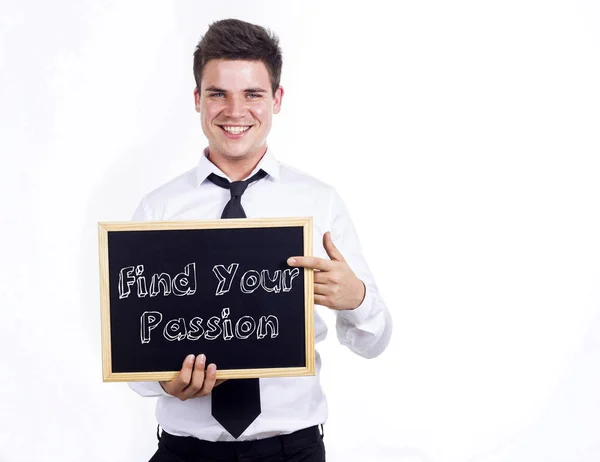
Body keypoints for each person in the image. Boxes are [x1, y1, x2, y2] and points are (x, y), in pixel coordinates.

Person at [128, 18, 393, 462]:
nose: (235, 110)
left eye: (252, 93)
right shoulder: (158, 210)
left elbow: (375, 340)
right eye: (218, 93)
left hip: (293, 451)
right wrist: (161, 382)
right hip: (185, 454)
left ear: (276, 99)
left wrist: (357, 298)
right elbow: (130, 351)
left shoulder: (319, 202)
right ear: (197, 100)